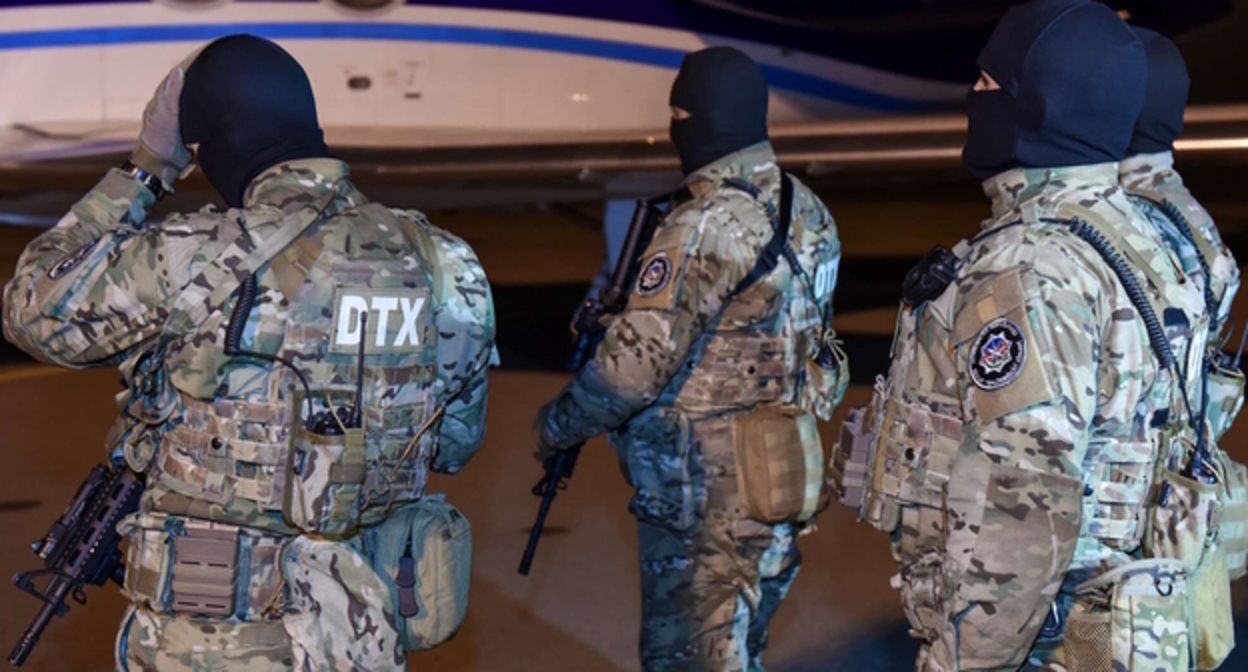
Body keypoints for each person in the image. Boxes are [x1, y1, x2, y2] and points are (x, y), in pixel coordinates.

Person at [3, 35, 495, 670]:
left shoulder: (193, 256)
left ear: (216, 145)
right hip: (362, 635)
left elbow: (31, 308)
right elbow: (455, 444)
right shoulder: (443, 263)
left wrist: (145, 168)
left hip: (208, 645)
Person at [841, 1, 1217, 669]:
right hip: (1123, 616)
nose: (973, 96)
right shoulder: (1140, 234)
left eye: (988, 81)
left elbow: (1022, 506)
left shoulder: (1029, 267)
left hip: (1048, 636)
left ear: (1041, 102)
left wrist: (961, 661)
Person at [534, 46, 847, 671]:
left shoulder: (701, 225)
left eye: (678, 116)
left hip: (706, 503)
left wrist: (556, 425)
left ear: (700, 120)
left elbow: (631, 371)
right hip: (781, 478)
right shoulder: (809, 209)